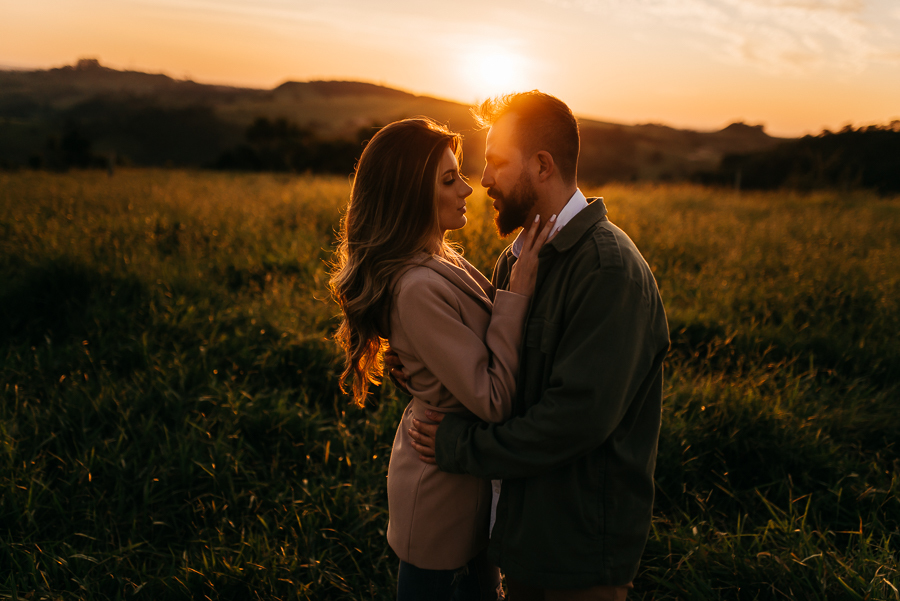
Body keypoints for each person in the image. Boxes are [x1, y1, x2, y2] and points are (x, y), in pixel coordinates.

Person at [406, 92, 670, 600]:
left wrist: (460, 447)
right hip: (519, 537)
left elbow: (575, 420)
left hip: (577, 556)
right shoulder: (515, 259)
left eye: (497, 163)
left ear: (542, 166)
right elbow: (496, 374)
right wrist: (422, 365)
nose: (483, 179)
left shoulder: (608, 270)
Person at [329, 117, 555, 601]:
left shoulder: (441, 258)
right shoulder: (417, 286)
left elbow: (457, 353)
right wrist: (517, 294)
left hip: (467, 482)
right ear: (411, 195)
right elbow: (493, 399)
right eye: (449, 179)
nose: (468, 189)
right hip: (440, 499)